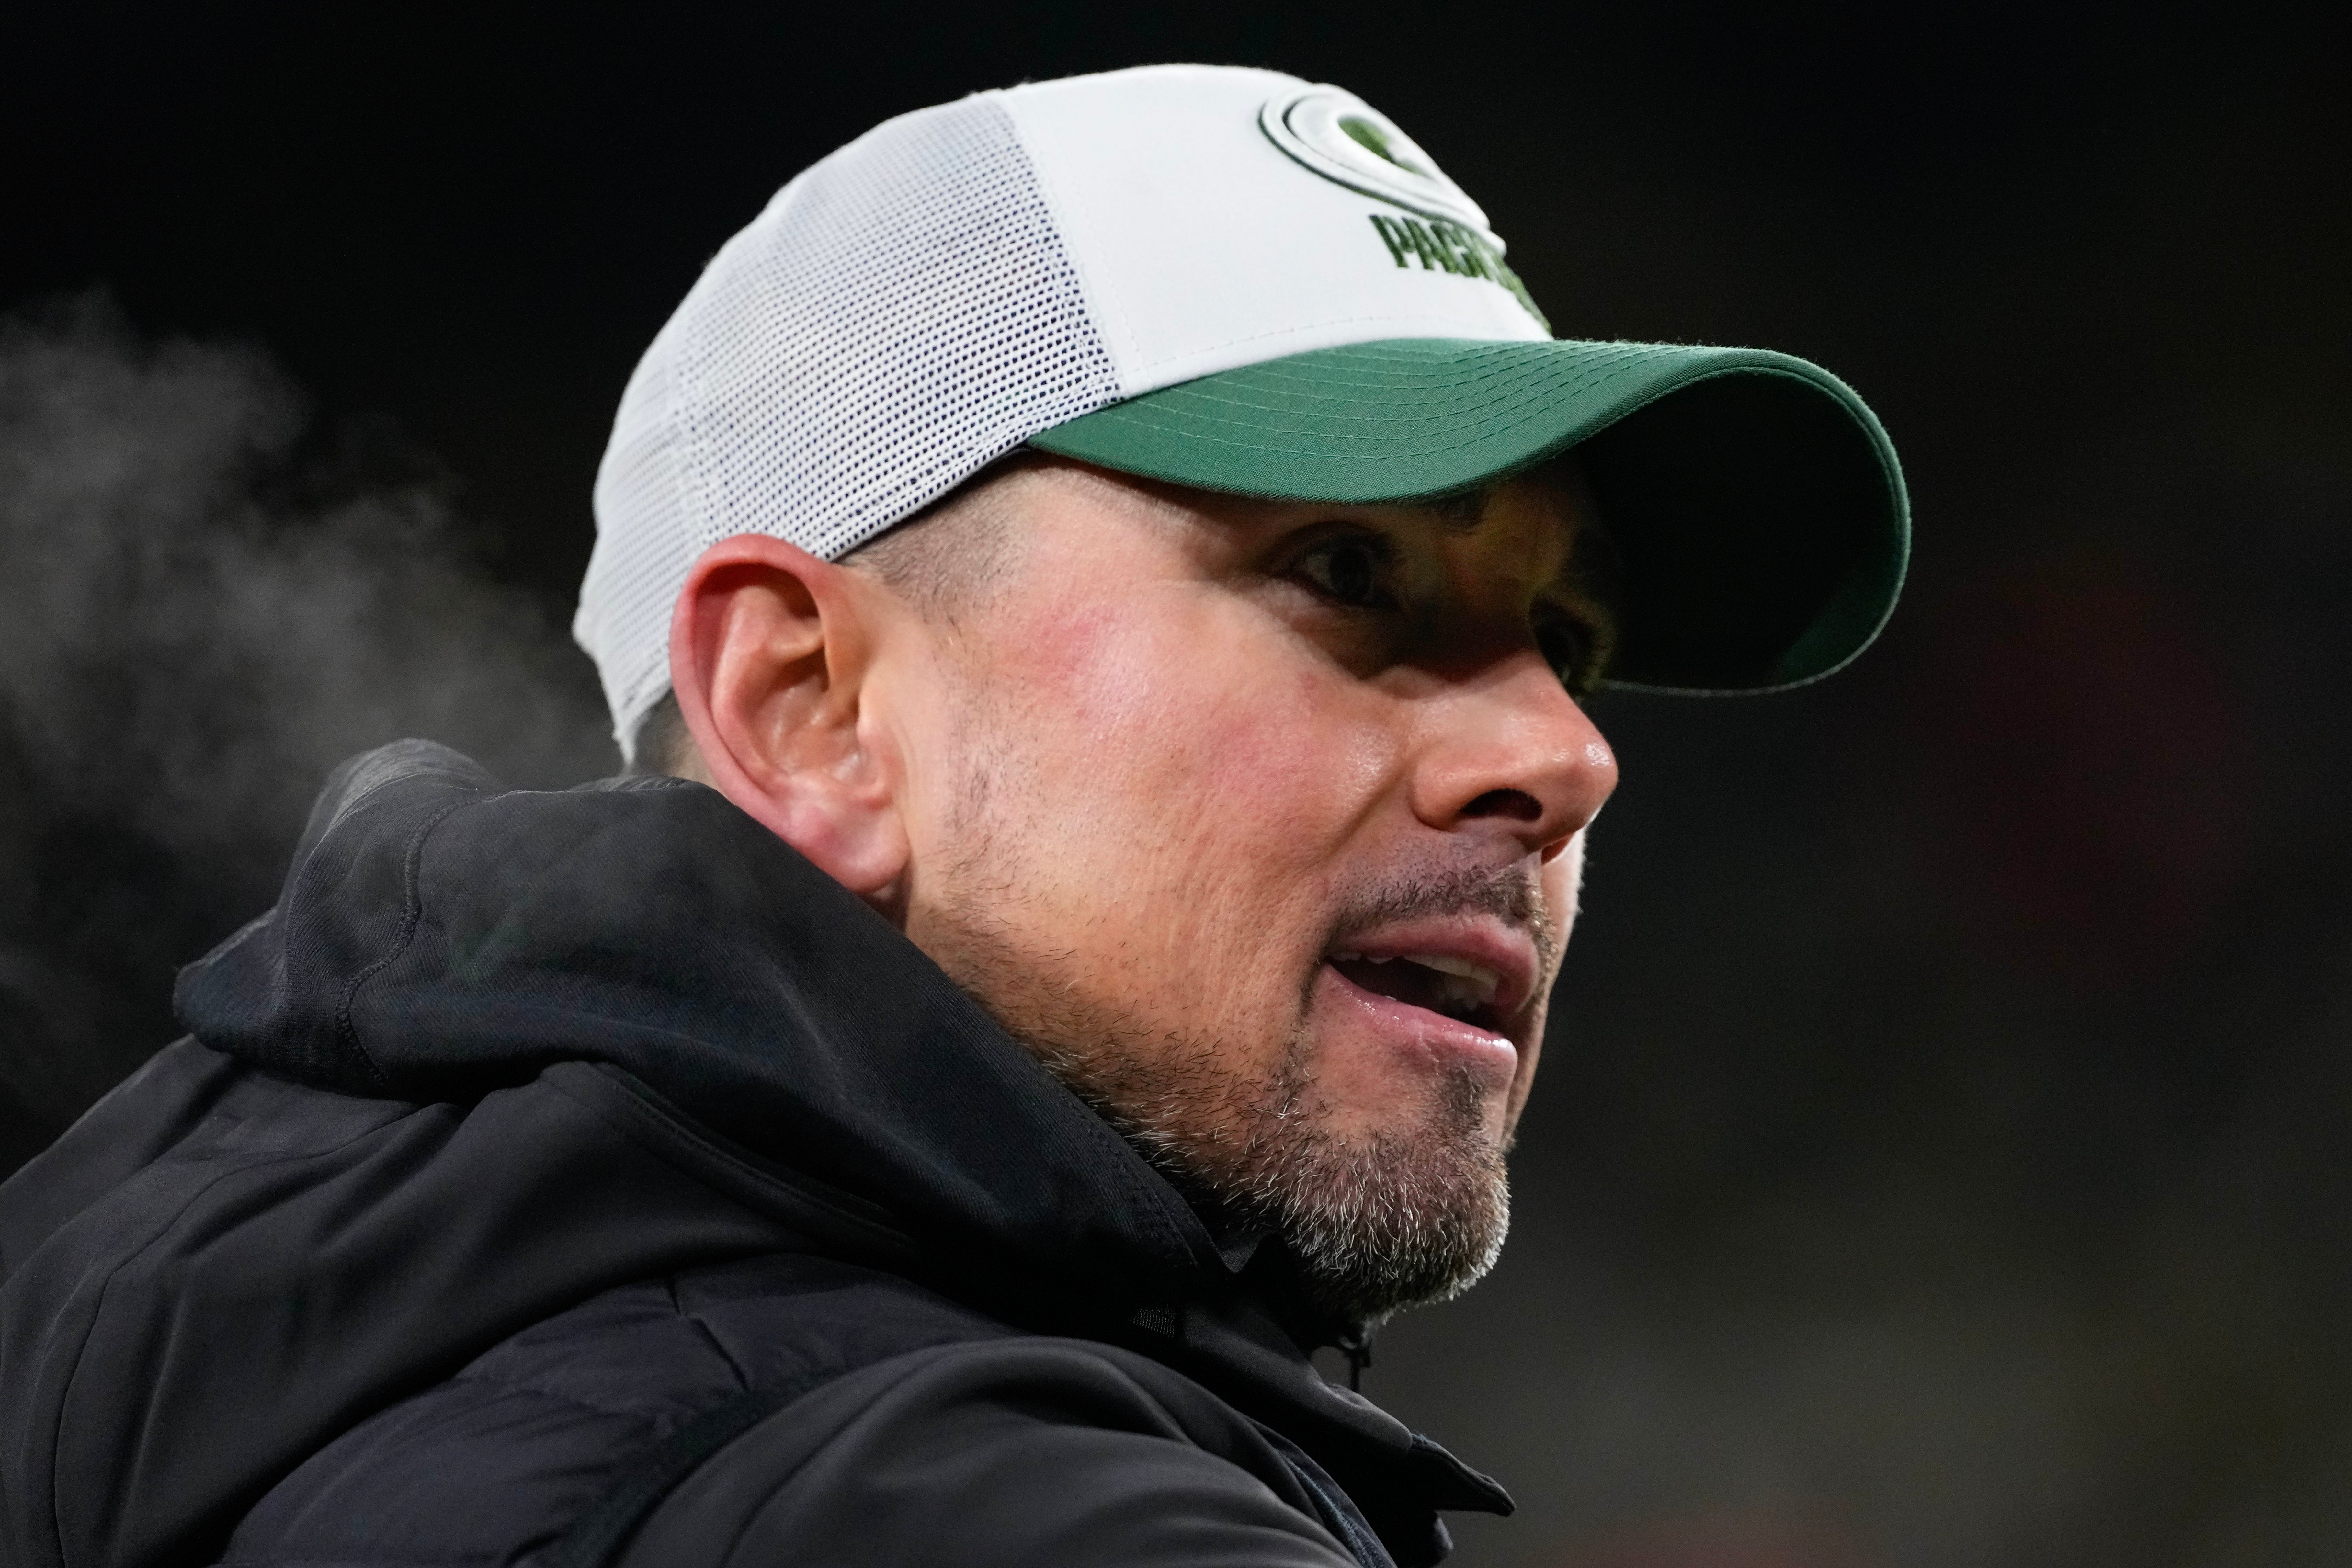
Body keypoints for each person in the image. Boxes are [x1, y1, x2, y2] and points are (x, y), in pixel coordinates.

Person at [0, 63, 1906, 1568]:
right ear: (811, 708)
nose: (1567, 755)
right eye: (1348, 570)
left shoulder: (218, 1311)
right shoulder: (976, 1508)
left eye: (1565, 639)